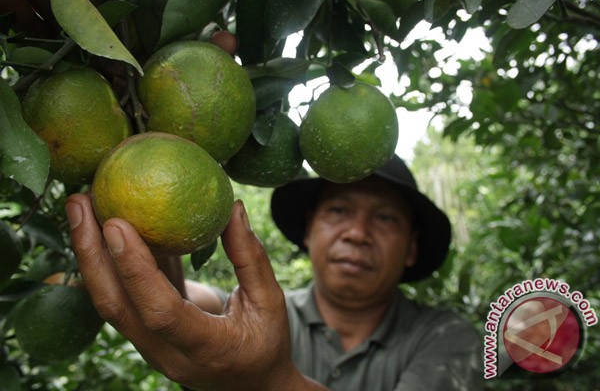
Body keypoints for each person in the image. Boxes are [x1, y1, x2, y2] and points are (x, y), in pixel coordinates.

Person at [66, 155, 484, 390]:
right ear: (310, 229)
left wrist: (273, 380)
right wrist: (151, 221)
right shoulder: (267, 313)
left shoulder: (452, 339)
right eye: (339, 211)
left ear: (411, 248)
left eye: (386, 219)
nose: (357, 233)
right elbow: (187, 302)